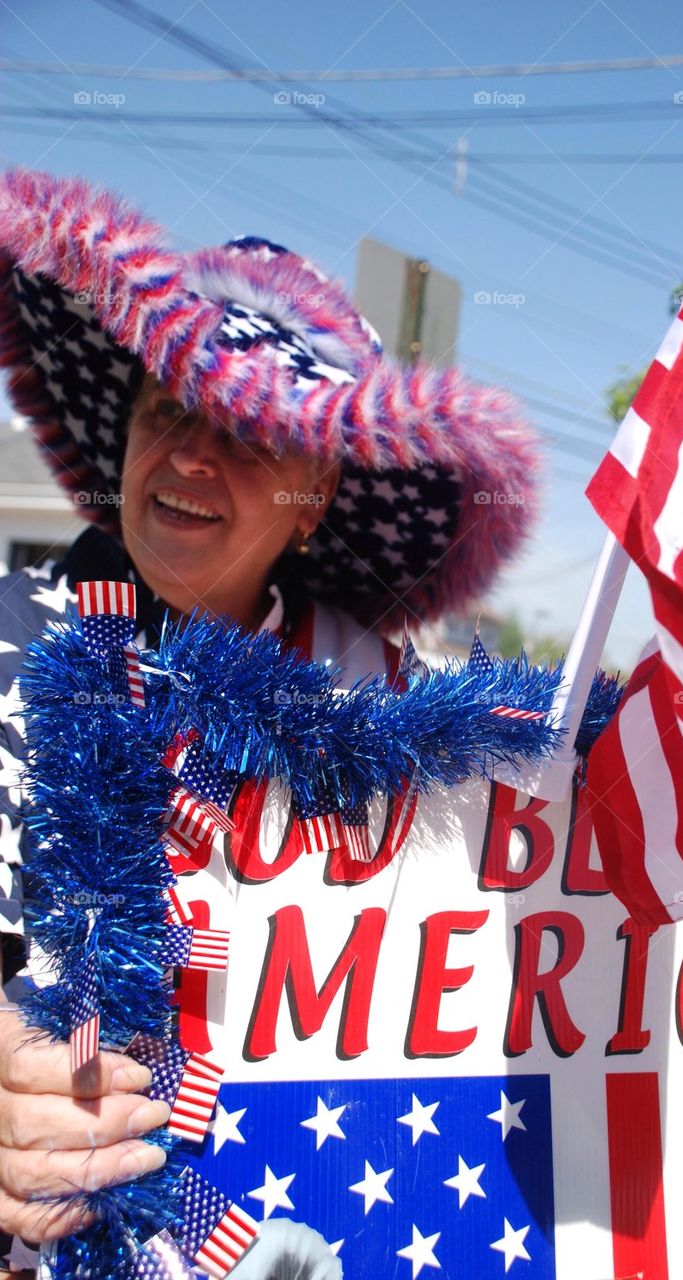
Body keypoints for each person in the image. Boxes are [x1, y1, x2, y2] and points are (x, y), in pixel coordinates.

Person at [0, 166, 541, 1276]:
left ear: (316, 497)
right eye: (167, 411)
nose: (192, 458)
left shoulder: (398, 711)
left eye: (247, 433)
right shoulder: (13, 640)